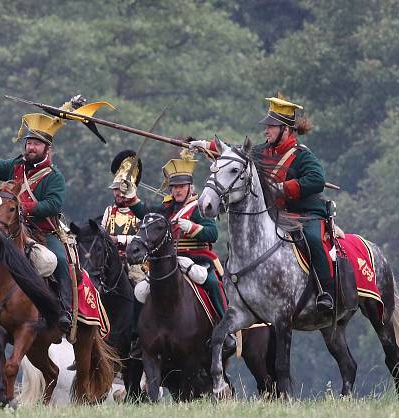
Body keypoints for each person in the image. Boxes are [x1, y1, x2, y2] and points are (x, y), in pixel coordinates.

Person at [0, 99, 82, 332]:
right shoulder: (16, 166)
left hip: (43, 232)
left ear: (46, 150)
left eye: (36, 145)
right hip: (12, 229)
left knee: (59, 261)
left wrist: (21, 207)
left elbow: (52, 205)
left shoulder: (54, 176)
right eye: (29, 143)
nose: (30, 147)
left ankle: (64, 310)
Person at [124, 150, 235, 353]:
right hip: (169, 260)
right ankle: (136, 336)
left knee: (211, 282)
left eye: (181, 186)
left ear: (190, 187)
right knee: (141, 290)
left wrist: (191, 227)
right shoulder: (166, 208)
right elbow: (146, 212)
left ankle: (226, 331)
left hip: (197, 258)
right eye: (174, 187)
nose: (177, 191)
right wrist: (132, 198)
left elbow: (212, 234)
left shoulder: (199, 207)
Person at [255, 95, 332, 310]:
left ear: (285, 129)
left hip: (304, 215)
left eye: (271, 126)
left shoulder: (302, 156)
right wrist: (207, 145)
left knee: (313, 240)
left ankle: (326, 292)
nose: (266, 131)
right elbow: (236, 156)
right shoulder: (261, 152)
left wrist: (283, 188)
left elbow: (317, 180)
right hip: (275, 216)